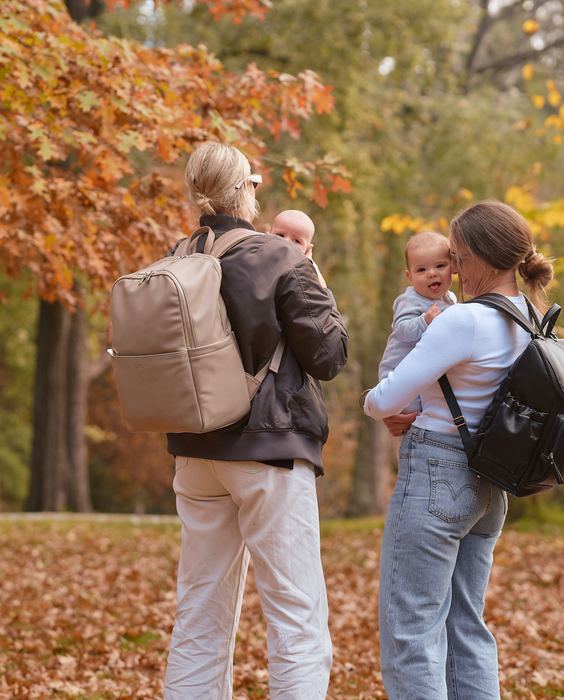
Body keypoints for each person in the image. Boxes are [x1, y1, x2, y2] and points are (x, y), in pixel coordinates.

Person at [163, 142, 349, 700]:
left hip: (196, 453)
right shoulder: (281, 257)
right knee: (296, 616)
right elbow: (329, 356)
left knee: (199, 612)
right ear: (245, 188)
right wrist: (317, 281)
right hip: (268, 450)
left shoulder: (179, 256)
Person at [362, 200, 554, 700]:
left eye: (458, 256)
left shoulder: (463, 320)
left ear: (483, 258)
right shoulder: (533, 317)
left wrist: (379, 405)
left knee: (411, 628)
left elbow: (384, 398)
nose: (453, 270)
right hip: (492, 483)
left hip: (437, 473)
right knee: (468, 626)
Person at [378, 230, 456, 414]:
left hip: (425, 376)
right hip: (399, 376)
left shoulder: (451, 299)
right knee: (410, 417)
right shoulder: (409, 300)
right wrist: (425, 320)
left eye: (440, 266)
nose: (431, 273)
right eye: (421, 270)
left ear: (453, 268)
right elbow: (403, 331)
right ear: (410, 276)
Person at [270, 209, 326, 286]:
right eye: (280, 235)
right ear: (267, 235)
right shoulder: (260, 252)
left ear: (307, 250)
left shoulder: (302, 271)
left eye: (296, 240)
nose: (286, 242)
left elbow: (321, 289)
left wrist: (310, 264)